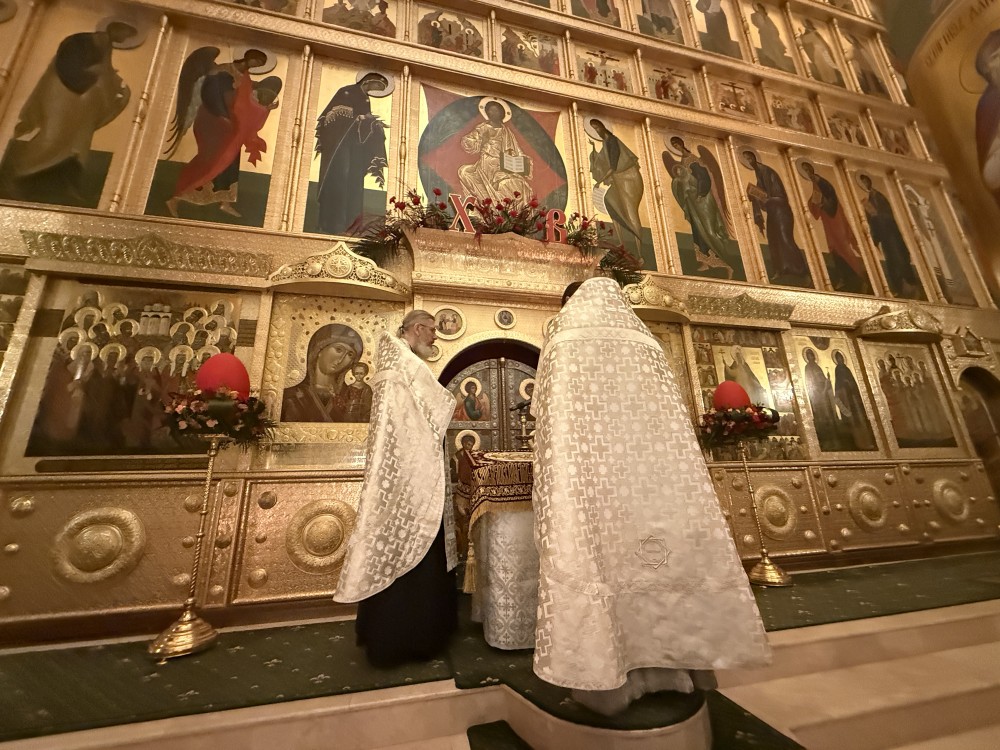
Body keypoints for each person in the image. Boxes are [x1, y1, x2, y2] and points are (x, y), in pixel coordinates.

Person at [530, 278, 770, 715]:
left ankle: (608, 679)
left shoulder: (564, 339)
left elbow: (546, 415)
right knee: (664, 565)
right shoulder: (647, 343)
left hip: (596, 483)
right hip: (654, 481)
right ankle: (679, 673)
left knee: (604, 565)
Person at [335, 310, 458, 667]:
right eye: (432, 331)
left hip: (411, 474)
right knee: (413, 553)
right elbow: (426, 417)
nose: (435, 337)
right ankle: (410, 640)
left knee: (410, 549)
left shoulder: (399, 364)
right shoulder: (403, 367)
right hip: (410, 479)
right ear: (417, 328)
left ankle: (400, 634)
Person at [1, 21, 137, 206]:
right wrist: (94, 76)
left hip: (81, 97)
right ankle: (17, 176)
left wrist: (111, 84)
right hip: (65, 93)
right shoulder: (90, 41)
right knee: (53, 137)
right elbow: (73, 65)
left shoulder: (104, 45)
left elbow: (103, 72)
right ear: (117, 28)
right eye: (126, 33)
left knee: (77, 145)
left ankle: (65, 187)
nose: (125, 38)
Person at [315, 72, 390, 235]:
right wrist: (359, 118)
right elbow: (332, 116)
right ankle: (334, 224)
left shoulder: (365, 99)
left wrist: (371, 123)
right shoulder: (346, 92)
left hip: (355, 148)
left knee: (354, 181)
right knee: (340, 178)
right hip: (339, 146)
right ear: (369, 81)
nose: (378, 90)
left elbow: (362, 123)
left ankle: (350, 226)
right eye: (378, 85)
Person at [741, 150, 811, 283]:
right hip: (773, 213)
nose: (749, 162)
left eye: (749, 159)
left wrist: (765, 198)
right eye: (746, 160)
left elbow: (780, 197)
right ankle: (781, 269)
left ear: (755, 158)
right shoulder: (759, 176)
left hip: (782, 212)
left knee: (785, 238)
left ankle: (802, 272)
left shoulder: (769, 173)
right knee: (773, 239)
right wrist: (755, 196)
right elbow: (764, 201)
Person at [799, 161, 869, 292]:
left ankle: (862, 277)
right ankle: (844, 277)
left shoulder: (822, 182)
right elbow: (816, 201)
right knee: (833, 248)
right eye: (805, 171)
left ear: (812, 170)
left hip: (836, 220)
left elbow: (832, 200)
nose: (807, 173)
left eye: (808, 170)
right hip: (828, 222)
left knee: (843, 247)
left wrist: (821, 203)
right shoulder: (815, 184)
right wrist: (813, 203)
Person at [281, 323, 365, 422]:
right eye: (338, 349)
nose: (341, 359)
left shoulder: (352, 395)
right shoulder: (290, 395)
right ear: (319, 350)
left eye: (350, 355)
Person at [589, 119, 645, 262]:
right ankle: (622, 247)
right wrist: (593, 152)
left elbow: (612, 167)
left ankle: (641, 253)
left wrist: (600, 181)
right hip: (618, 179)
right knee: (609, 201)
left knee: (630, 212)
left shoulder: (612, 141)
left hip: (628, 179)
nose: (597, 132)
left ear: (602, 127)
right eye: (594, 129)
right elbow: (602, 162)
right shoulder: (606, 143)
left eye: (597, 128)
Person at [858, 174, 922, 298]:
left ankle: (909, 285)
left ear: (869, 182)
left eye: (865, 182)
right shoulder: (869, 199)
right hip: (884, 236)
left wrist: (876, 214)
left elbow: (887, 214)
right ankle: (899, 287)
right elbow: (871, 220)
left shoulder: (879, 197)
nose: (864, 185)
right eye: (862, 183)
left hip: (891, 233)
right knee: (891, 261)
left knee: (899, 257)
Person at [458, 98, 532, 204]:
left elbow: (516, 149)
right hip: (488, 161)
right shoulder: (483, 128)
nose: (492, 113)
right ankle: (492, 202)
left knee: (516, 183)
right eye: (490, 110)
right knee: (491, 182)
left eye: (495, 111)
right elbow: (468, 140)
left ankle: (505, 205)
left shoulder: (506, 131)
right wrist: (482, 142)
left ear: (501, 113)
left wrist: (523, 160)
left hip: (505, 163)